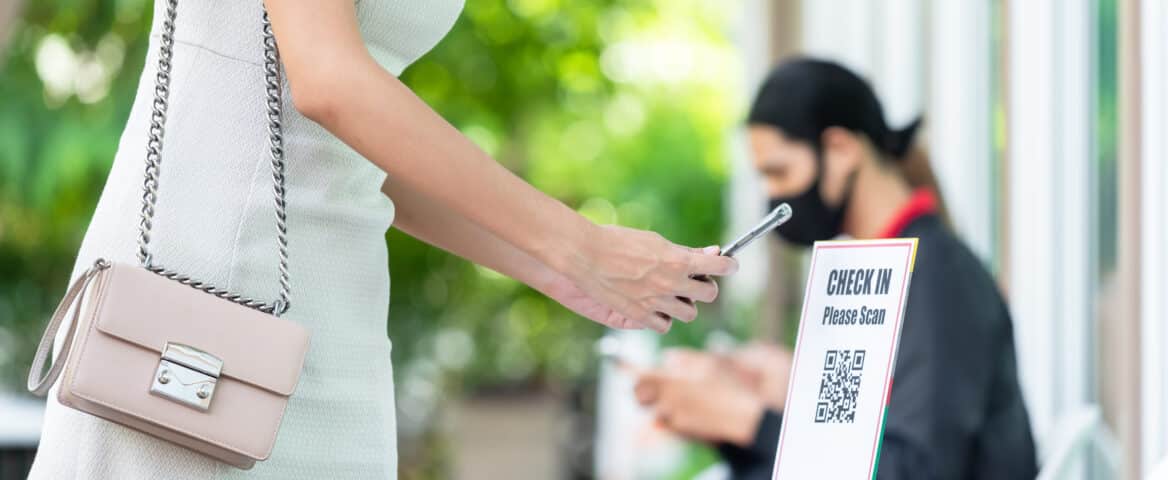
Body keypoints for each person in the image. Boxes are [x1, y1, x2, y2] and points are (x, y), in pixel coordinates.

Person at [28, 1, 737, 479]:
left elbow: (352, 155)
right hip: (203, 294)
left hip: (332, 303)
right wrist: (578, 245)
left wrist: (562, 272)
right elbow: (328, 80)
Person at [634, 58, 1038, 479]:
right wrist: (774, 395)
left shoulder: (937, 277)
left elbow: (917, 468)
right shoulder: (870, 270)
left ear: (841, 150)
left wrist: (743, 418)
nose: (772, 195)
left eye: (780, 172)